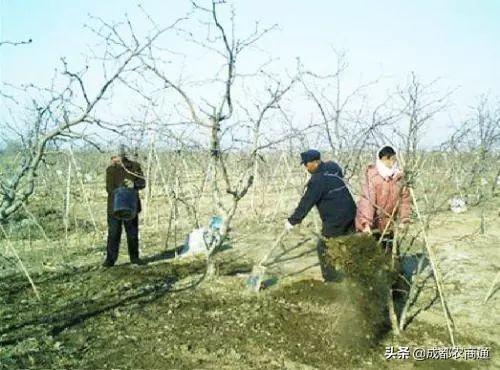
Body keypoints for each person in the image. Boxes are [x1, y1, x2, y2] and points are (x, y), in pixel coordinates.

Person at [286, 149, 357, 281]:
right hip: (351, 212)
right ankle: (354, 274)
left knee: (323, 247)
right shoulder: (333, 166)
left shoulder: (317, 180)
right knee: (350, 244)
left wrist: (292, 221)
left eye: (306, 164)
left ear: (315, 162)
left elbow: (306, 203)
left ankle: (331, 281)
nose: (306, 167)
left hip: (336, 219)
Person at [355, 145, 411, 252]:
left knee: (391, 252)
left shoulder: (399, 178)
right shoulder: (372, 177)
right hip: (373, 224)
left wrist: (404, 219)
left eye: (395, 159)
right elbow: (367, 201)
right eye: (392, 159)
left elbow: (405, 200)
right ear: (384, 159)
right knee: (374, 254)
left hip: (389, 223)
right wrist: (366, 224)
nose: (394, 162)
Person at [103, 145, 146, 267]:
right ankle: (110, 260)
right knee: (113, 233)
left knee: (132, 233)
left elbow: (142, 183)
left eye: (116, 156)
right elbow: (109, 188)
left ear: (122, 156)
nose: (114, 159)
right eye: (113, 157)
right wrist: (122, 188)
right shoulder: (110, 170)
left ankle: (135, 258)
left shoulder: (134, 167)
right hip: (114, 208)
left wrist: (134, 184)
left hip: (131, 206)